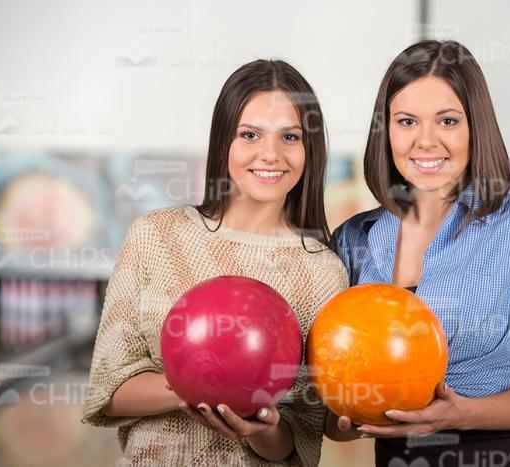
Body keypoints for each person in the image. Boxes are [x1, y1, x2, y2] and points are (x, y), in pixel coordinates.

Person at [325, 40, 510, 467]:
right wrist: (344, 418)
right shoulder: (353, 240)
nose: (426, 141)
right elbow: (334, 405)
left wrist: (465, 413)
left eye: (448, 121)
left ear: (476, 127)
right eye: (406, 121)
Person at [82, 59, 348, 466]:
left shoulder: (324, 272)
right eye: (250, 134)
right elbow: (108, 388)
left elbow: (302, 440)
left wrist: (262, 428)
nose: (270, 154)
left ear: (309, 148)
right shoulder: (155, 234)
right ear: (224, 140)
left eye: (290, 136)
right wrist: (201, 382)